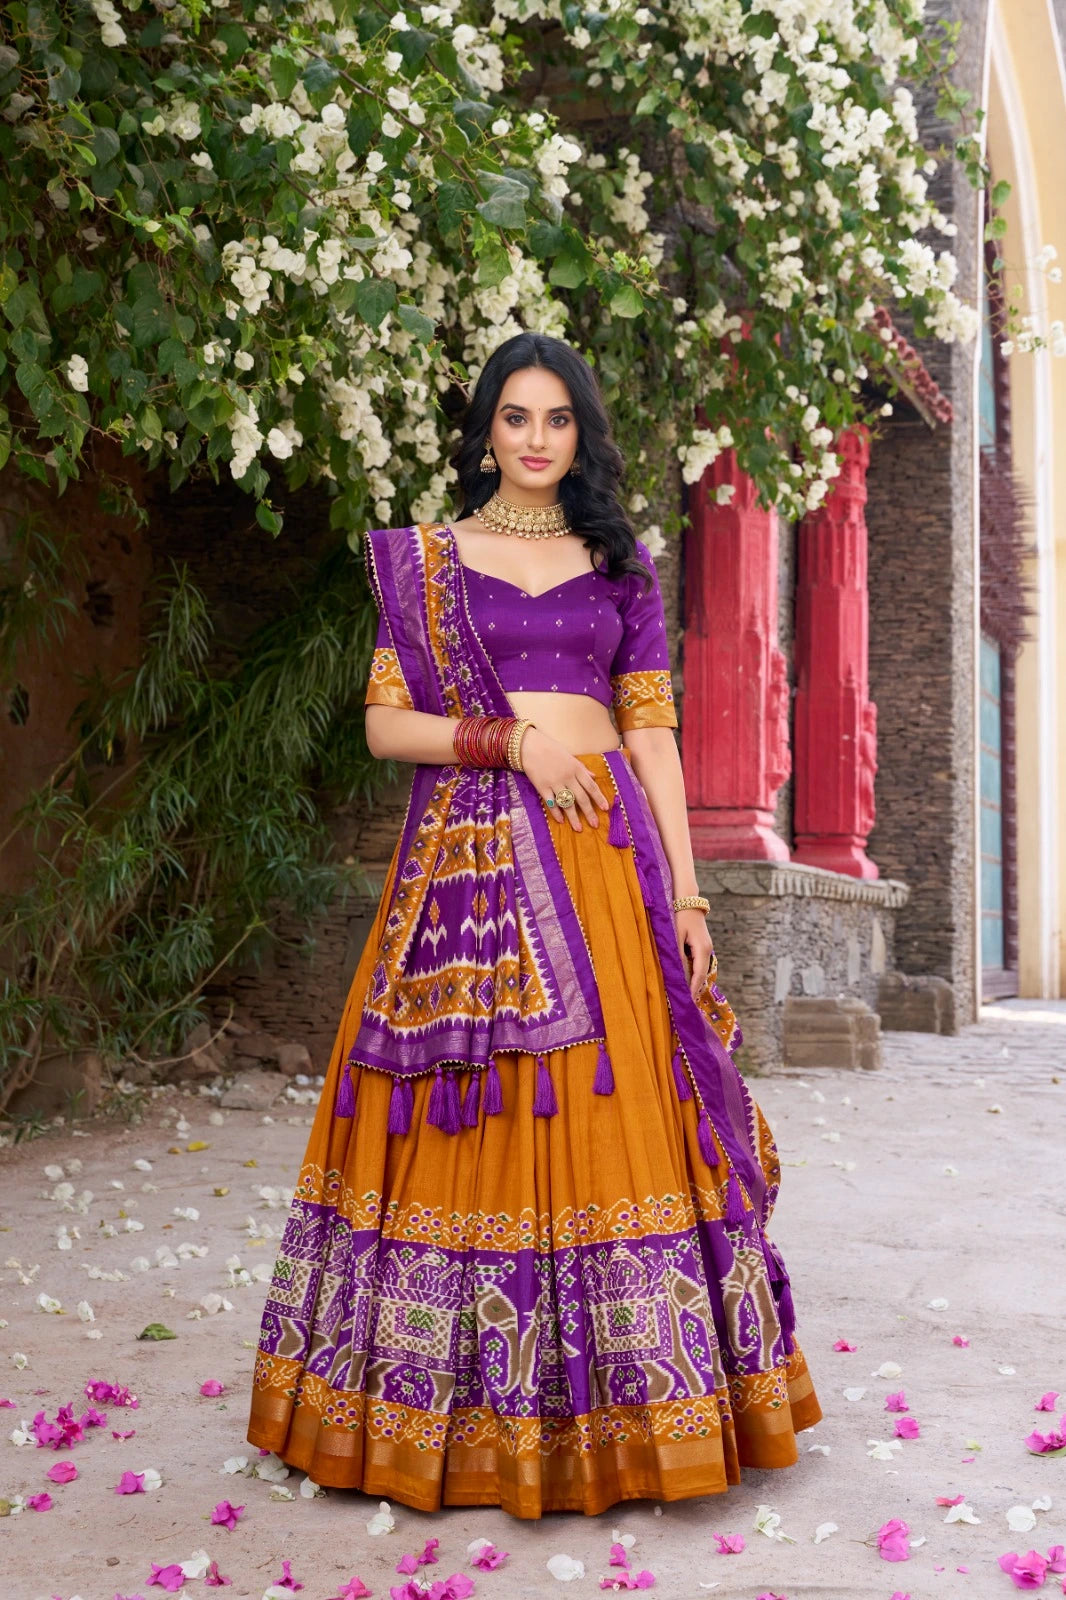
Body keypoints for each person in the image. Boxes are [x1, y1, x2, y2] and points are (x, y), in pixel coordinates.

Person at [246, 331, 821, 1519]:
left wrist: (690, 894)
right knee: (476, 1118)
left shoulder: (618, 565)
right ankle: (438, 1415)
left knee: (614, 1122)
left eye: (558, 418)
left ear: (582, 434)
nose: (536, 438)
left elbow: (652, 738)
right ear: (484, 432)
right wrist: (510, 739)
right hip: (468, 860)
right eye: (516, 417)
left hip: (603, 864)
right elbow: (385, 727)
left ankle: (627, 1416)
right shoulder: (430, 562)